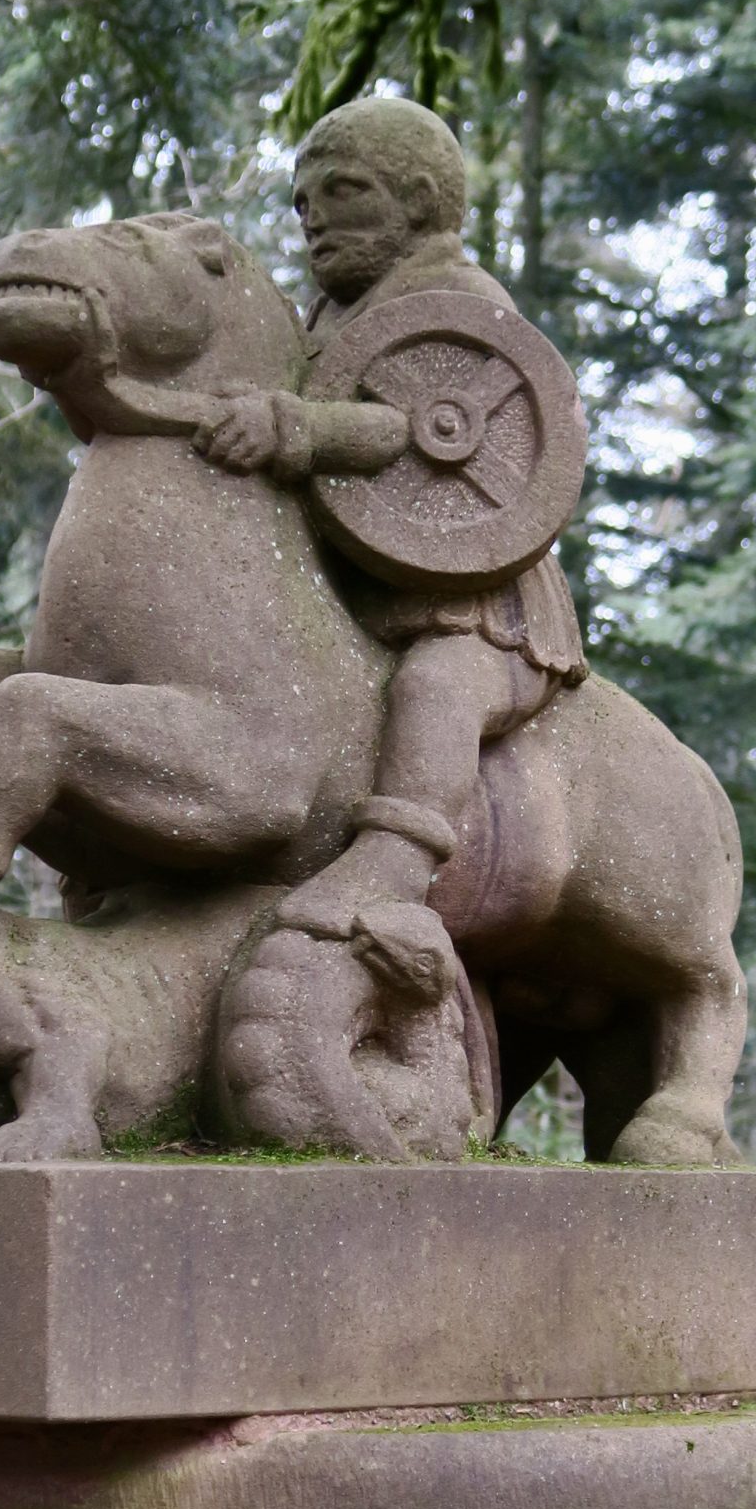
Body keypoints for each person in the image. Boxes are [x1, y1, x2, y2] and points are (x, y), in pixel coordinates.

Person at [194, 95, 586, 957]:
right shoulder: (318, 325)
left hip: (474, 604)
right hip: (344, 588)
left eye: (344, 191)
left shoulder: (458, 300)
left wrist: (298, 429)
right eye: (303, 201)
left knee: (437, 689)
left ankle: (394, 865)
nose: (314, 219)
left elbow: (433, 429)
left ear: (418, 200)